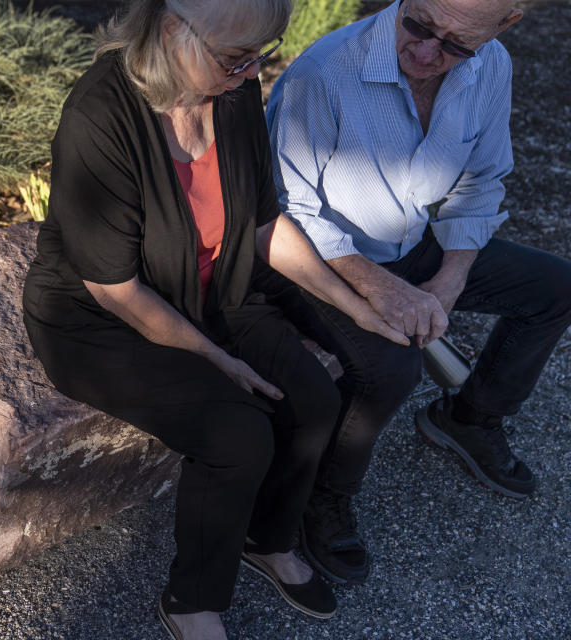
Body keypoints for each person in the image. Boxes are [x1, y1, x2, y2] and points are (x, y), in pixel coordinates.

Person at [22, 1, 409, 638]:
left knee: (313, 401)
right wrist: (218, 359)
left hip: (211, 290)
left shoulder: (232, 88)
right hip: (100, 321)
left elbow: (261, 225)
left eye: (259, 55)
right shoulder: (100, 115)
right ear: (174, 27)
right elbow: (115, 289)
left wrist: (356, 304)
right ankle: (193, 599)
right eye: (237, 57)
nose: (251, 70)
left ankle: (266, 537)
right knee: (237, 435)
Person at [265, 0, 571, 587]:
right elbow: (287, 213)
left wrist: (448, 281)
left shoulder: (493, 66)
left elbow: (482, 182)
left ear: (504, 25)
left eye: (457, 45)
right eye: (419, 25)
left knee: (555, 288)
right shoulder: (325, 72)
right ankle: (325, 495)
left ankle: (469, 416)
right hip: (318, 260)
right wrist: (381, 287)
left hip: (410, 241)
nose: (429, 54)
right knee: (391, 367)